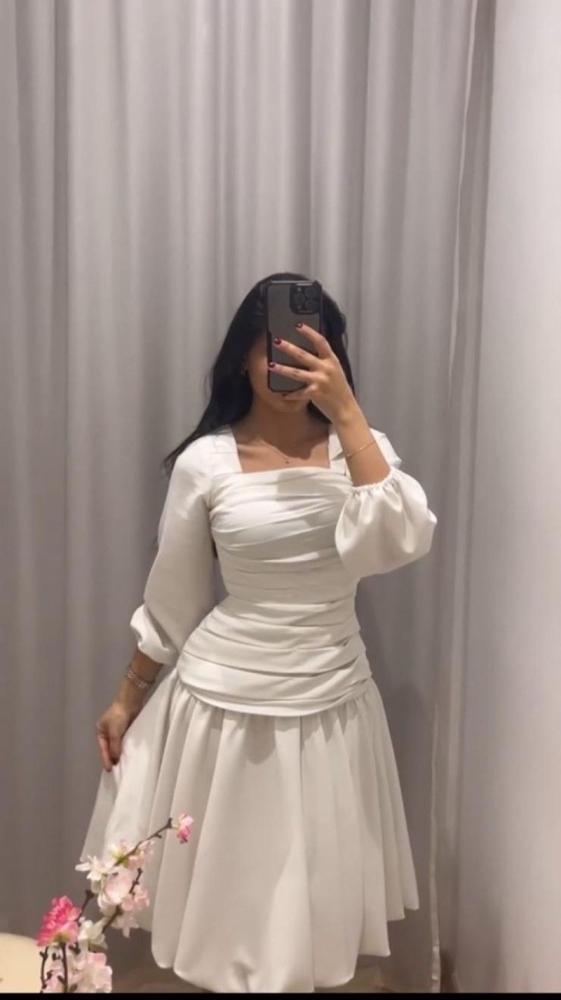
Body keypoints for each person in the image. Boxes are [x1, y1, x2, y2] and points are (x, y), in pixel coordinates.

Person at [80, 271, 438, 993]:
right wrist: (127, 698)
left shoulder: (360, 448)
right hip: (223, 703)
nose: (287, 362)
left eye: (308, 345)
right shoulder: (205, 461)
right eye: (272, 346)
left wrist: (348, 414)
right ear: (243, 358)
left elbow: (398, 542)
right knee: (233, 893)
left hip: (331, 699)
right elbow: (174, 595)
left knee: (309, 893)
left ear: (330, 354)